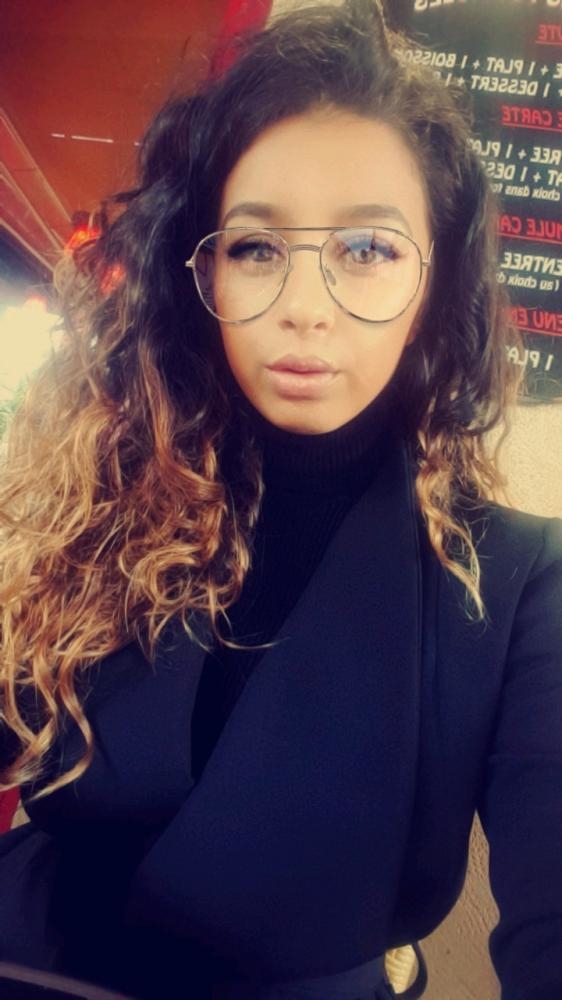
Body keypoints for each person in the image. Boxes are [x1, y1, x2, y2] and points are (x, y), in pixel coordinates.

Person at [0, 1, 561, 998]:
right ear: (202, 269)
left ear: (433, 286)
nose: (304, 307)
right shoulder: (78, 501)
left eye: (368, 249)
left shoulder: (521, 586)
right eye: (256, 247)